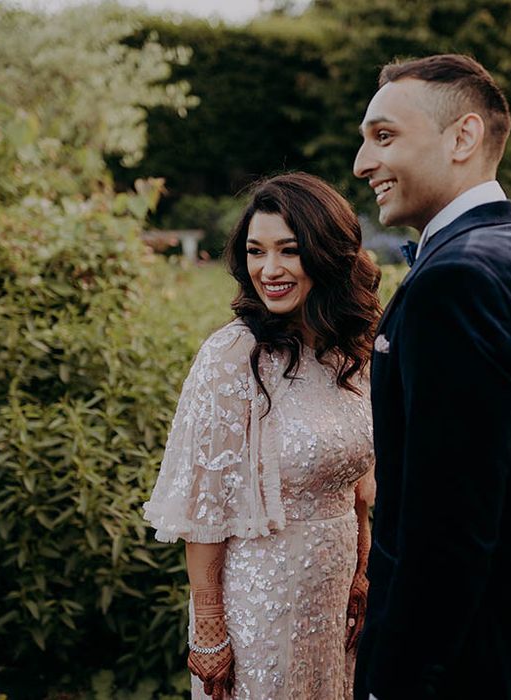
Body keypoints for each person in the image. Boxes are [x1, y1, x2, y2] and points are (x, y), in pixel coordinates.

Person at [352, 54, 511, 700]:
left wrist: (393, 679)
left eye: (384, 136)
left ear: (464, 137)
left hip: (472, 666)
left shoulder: (455, 283)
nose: (362, 164)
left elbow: (445, 530)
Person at [144, 172, 382, 699]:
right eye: (255, 251)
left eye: (289, 251)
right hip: (260, 599)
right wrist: (208, 625)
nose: (268, 270)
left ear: (328, 255)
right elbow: (204, 507)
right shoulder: (233, 358)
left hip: (338, 590)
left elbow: (357, 481)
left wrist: (363, 569)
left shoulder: (352, 351)